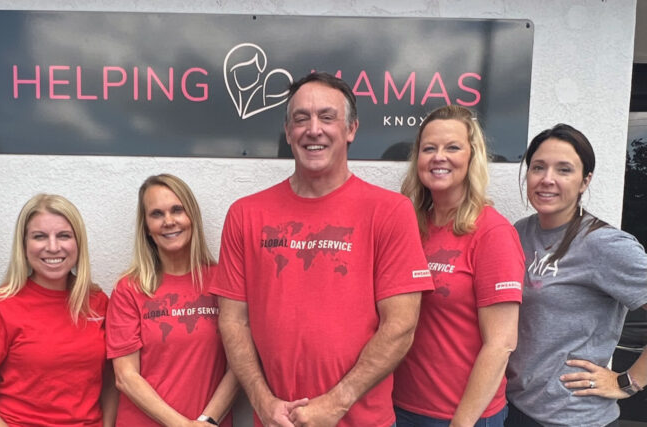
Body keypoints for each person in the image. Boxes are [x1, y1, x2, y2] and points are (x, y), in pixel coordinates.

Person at [211, 72, 434, 427]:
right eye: (301, 119)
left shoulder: (390, 211)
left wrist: (337, 403)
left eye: (327, 117)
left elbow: (402, 325)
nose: (313, 129)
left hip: (362, 421)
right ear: (288, 132)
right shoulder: (246, 214)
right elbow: (233, 320)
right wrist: (262, 401)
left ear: (351, 130)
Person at [505, 124, 647, 427]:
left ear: (585, 181)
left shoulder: (604, 244)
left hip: (573, 418)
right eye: (538, 167)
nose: (547, 179)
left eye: (564, 170)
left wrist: (628, 382)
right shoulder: (519, 232)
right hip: (516, 407)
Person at [394, 105, 524, 426]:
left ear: (472, 157)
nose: (439, 156)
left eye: (452, 147)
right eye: (429, 148)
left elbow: (501, 343)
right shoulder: (409, 226)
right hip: (401, 405)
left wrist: (461, 423)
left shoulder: (493, 233)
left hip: (463, 415)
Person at [0, 194, 115, 426]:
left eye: (64, 236)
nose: (52, 247)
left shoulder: (97, 303)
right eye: (39, 237)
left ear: (78, 243)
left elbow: (110, 381)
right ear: (24, 245)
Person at [107, 174, 238, 427]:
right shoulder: (129, 289)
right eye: (156, 214)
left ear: (192, 217)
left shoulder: (222, 282)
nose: (169, 221)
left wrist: (207, 420)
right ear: (146, 226)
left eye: (177, 210)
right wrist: (184, 425)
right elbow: (126, 376)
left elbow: (240, 365)